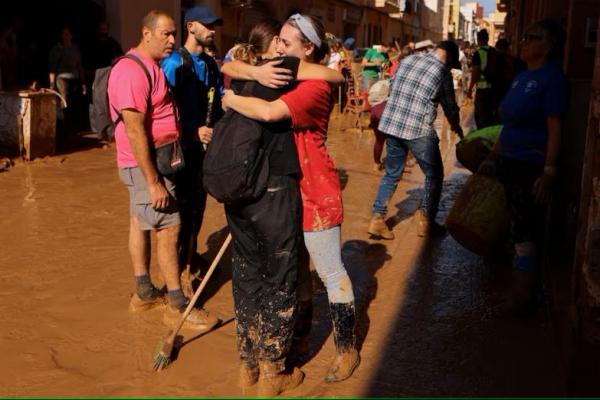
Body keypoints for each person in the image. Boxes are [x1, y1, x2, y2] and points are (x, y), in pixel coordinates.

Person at [222, 13, 360, 394]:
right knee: (295, 274)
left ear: (308, 49)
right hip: (283, 191)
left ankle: (347, 349)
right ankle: (298, 340)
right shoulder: (284, 72)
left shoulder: (313, 86)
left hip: (316, 189)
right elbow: (231, 62)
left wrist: (231, 97)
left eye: (286, 42)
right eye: (278, 40)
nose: (278, 47)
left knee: (330, 273)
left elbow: (268, 112)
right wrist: (240, 70)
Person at [107, 10, 218, 331]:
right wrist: (154, 181)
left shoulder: (150, 67)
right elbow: (135, 129)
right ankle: (177, 305)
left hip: (151, 163)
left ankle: (143, 292)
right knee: (168, 229)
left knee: (139, 222)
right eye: (165, 34)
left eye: (173, 34)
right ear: (146, 33)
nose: (171, 40)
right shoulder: (133, 71)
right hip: (147, 166)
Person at [479, 20, 568, 316]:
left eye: (534, 38)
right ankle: (520, 289)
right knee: (517, 230)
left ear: (549, 46)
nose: (525, 41)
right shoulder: (522, 76)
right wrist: (493, 154)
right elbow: (509, 123)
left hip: (530, 166)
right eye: (525, 36)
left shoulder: (552, 78)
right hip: (510, 162)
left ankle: (522, 298)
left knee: (526, 232)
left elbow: (555, 127)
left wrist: (550, 170)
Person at [367, 41, 464, 240]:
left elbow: (392, 88)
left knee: (392, 174)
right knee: (434, 175)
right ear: (451, 58)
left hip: (392, 125)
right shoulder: (442, 72)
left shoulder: (408, 59)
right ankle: (427, 223)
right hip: (418, 129)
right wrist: (457, 127)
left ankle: (377, 219)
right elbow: (450, 107)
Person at [161, 5, 224, 303]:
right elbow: (162, 111)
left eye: (214, 26)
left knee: (198, 210)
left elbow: (220, 102)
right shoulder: (173, 64)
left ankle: (190, 260)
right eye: (207, 25)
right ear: (191, 27)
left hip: (203, 151)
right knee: (180, 214)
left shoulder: (211, 65)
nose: (213, 30)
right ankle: (179, 276)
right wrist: (192, 130)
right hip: (179, 150)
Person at [48, 27, 86, 122]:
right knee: (64, 102)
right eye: (63, 34)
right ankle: (64, 124)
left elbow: (80, 65)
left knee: (74, 102)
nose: (64, 36)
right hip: (62, 79)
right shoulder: (57, 48)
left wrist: (83, 82)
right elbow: (52, 67)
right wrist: (52, 85)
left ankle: (73, 123)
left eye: (67, 33)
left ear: (71, 35)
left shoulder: (75, 48)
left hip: (75, 78)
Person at [467, 29, 499, 129]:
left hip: (482, 90)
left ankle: (482, 140)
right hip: (494, 89)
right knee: (490, 117)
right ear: (488, 39)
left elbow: (475, 73)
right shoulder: (494, 51)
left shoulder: (478, 53)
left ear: (478, 39)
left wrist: (470, 89)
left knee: (480, 117)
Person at [368, 79, 390, 172]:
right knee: (393, 141)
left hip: (374, 117)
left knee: (379, 141)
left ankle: (376, 164)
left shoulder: (373, 99)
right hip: (385, 117)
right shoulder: (388, 96)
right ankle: (392, 168)